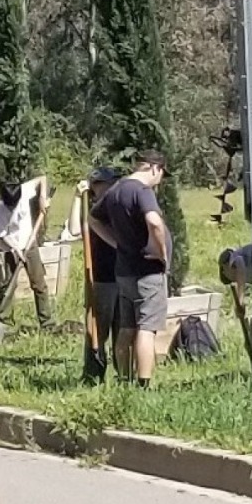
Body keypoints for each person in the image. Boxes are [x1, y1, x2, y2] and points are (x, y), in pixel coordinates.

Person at [91, 151, 174, 388]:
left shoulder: (116, 189)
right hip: (147, 271)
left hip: (124, 271)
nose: (160, 180)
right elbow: (154, 222)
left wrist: (116, 243)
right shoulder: (141, 191)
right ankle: (144, 384)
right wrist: (161, 253)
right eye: (161, 174)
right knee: (147, 329)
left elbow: (94, 219)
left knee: (127, 328)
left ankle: (124, 379)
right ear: (153, 168)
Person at [0, 175, 55, 330]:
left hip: (30, 245)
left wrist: (42, 198)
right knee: (8, 286)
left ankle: (47, 322)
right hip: (11, 247)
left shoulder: (24, 191)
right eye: (10, 206)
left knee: (39, 284)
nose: (13, 208)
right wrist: (16, 250)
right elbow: (3, 235)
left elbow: (42, 178)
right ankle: (4, 321)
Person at [78, 166, 122, 385]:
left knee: (122, 330)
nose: (113, 186)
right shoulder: (93, 211)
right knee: (98, 330)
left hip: (123, 276)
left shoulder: (117, 207)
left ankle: (125, 374)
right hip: (102, 279)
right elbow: (75, 229)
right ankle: (93, 374)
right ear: (96, 187)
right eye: (108, 183)